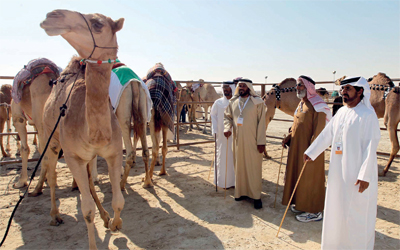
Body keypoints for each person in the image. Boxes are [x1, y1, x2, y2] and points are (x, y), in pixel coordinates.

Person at [304, 76, 380, 249]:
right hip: (338, 172)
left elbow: (371, 146)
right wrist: (312, 152)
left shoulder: (368, 115)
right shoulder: (342, 112)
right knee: (336, 209)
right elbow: (327, 134)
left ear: (360, 91)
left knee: (356, 212)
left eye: (348, 89)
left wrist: (365, 175)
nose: (343, 93)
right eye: (342, 90)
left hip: (357, 175)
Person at [281, 75, 332, 222]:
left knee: (311, 178)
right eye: (297, 85)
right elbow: (297, 125)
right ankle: (302, 205)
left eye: (301, 85)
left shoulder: (319, 106)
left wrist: (312, 151)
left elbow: (320, 132)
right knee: (299, 176)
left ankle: (314, 211)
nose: (298, 88)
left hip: (311, 151)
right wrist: (289, 137)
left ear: (309, 87)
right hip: (297, 148)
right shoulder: (301, 104)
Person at [223, 78, 266, 209]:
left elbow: (262, 123)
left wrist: (261, 142)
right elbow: (227, 117)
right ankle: (240, 193)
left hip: (253, 141)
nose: (241, 88)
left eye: (243, 86)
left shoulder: (258, 103)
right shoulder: (233, 102)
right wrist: (227, 128)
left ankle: (256, 196)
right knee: (240, 166)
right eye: (239, 86)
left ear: (249, 87)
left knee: (253, 168)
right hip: (238, 141)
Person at [210, 81, 236, 189]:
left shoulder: (237, 102)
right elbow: (213, 116)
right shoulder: (218, 103)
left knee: (234, 157)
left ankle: (234, 182)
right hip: (221, 135)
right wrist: (215, 130)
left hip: (235, 135)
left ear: (232, 88)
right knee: (223, 157)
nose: (225, 90)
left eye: (228, 88)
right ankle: (223, 182)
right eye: (224, 88)